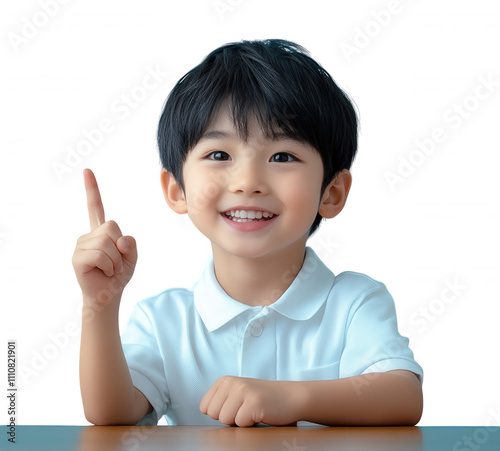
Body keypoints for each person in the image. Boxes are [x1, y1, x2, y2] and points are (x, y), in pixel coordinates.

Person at [73, 39, 423, 427]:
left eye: (283, 157)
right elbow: (111, 414)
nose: (248, 182)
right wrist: (99, 304)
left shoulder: (355, 303)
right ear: (177, 190)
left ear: (332, 193)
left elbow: (402, 397)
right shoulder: (163, 320)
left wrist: (292, 398)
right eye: (219, 155)